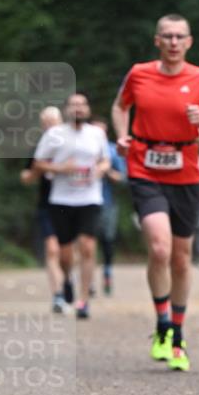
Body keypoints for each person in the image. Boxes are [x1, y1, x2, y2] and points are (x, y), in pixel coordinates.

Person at [112, 14, 199, 371]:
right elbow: (120, 106)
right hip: (144, 166)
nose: (174, 42)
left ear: (189, 42)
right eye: (167, 36)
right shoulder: (139, 73)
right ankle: (161, 324)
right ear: (157, 40)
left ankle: (177, 331)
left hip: (186, 172)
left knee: (180, 257)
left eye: (180, 37)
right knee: (159, 247)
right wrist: (121, 135)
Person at [34, 93, 110, 319]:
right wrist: (61, 169)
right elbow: (38, 162)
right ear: (67, 109)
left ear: (87, 109)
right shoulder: (55, 134)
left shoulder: (96, 134)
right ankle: (66, 279)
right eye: (74, 105)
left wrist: (100, 170)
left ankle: (83, 300)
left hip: (90, 198)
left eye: (82, 105)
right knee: (65, 254)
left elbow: (105, 160)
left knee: (87, 246)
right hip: (62, 199)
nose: (78, 108)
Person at [20, 106, 74, 312]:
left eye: (54, 121)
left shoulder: (73, 146)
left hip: (71, 204)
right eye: (46, 122)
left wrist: (53, 168)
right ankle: (58, 296)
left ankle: (68, 279)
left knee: (67, 253)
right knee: (52, 250)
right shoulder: (39, 149)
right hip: (47, 205)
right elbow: (26, 177)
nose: (50, 125)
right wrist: (38, 168)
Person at [91, 118, 126, 295]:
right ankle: (88, 280)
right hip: (86, 203)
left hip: (108, 203)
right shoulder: (82, 149)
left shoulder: (113, 151)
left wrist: (107, 171)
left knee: (107, 241)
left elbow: (123, 178)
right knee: (86, 242)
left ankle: (107, 273)